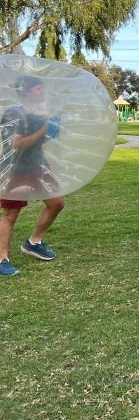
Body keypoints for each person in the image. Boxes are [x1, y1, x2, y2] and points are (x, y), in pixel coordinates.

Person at [0, 75, 64, 277]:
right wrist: (43, 130)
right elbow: (16, 144)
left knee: (57, 203)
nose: (43, 92)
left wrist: (52, 128)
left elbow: (42, 139)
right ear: (26, 91)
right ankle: (2, 258)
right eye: (38, 89)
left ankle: (33, 242)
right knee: (10, 215)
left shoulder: (39, 113)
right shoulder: (13, 114)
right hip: (16, 170)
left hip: (38, 166)